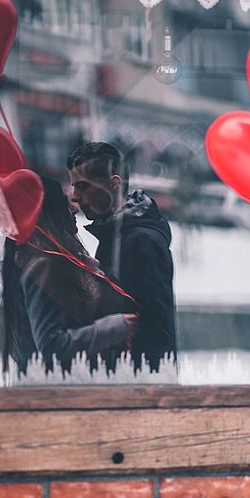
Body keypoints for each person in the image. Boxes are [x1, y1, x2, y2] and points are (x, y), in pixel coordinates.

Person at [1, 177, 137, 374]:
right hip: (54, 392)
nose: (74, 208)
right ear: (49, 209)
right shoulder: (43, 265)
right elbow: (51, 345)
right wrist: (116, 327)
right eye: (65, 202)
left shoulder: (47, 259)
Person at [67, 142, 177, 372]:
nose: (75, 197)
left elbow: (155, 326)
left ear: (114, 184)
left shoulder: (140, 241)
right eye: (73, 187)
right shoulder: (116, 235)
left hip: (137, 386)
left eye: (83, 186)